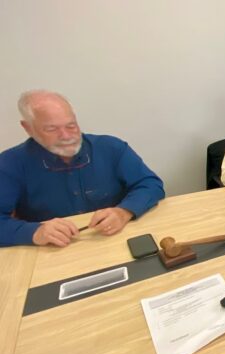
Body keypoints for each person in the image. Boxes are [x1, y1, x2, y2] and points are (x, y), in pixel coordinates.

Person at [0, 90, 165, 247]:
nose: (66, 136)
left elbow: (150, 184)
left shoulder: (111, 148)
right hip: (52, 251)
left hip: (114, 240)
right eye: (51, 129)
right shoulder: (9, 163)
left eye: (71, 126)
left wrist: (124, 212)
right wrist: (34, 232)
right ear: (28, 128)